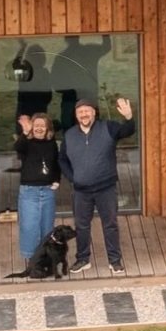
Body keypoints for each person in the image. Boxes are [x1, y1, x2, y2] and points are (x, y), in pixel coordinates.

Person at [59, 94, 135, 274]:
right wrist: (73, 177)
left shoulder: (108, 127)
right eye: (80, 112)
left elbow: (128, 131)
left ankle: (115, 261)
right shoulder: (69, 135)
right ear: (76, 116)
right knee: (81, 226)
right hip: (81, 191)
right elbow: (62, 160)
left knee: (110, 224)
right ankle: (82, 259)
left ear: (94, 113)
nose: (83, 115)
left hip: (105, 188)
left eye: (87, 111)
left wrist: (129, 117)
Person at [10, 111, 64, 266]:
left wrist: (57, 180)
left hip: (47, 190)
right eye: (36, 125)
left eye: (43, 125)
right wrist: (25, 132)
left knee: (47, 226)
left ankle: (45, 256)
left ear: (48, 128)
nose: (39, 128)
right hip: (29, 191)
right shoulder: (27, 142)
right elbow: (18, 147)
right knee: (29, 226)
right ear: (32, 127)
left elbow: (56, 163)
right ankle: (31, 259)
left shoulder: (52, 143)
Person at [47, 34, 113, 125]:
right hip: (71, 99)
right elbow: (55, 83)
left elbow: (106, 47)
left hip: (86, 96)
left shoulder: (88, 51)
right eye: (71, 38)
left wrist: (105, 31)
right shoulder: (62, 57)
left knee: (91, 127)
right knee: (70, 127)